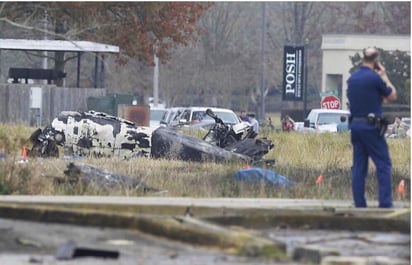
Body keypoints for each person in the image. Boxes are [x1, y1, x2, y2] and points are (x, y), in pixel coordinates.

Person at [346, 47, 397, 208]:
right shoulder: (375, 79)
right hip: (371, 127)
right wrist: (384, 75)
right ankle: (385, 202)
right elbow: (391, 95)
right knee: (383, 164)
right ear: (375, 61)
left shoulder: (352, 79)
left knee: (359, 166)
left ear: (363, 58)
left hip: (355, 125)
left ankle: (359, 202)